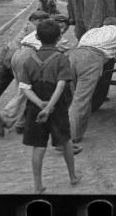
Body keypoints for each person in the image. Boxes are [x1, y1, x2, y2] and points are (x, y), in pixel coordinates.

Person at [18, 19, 82, 193]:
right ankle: (73, 176)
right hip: (57, 107)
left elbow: (24, 88)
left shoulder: (29, 61)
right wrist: (49, 108)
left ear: (37, 36)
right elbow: (61, 85)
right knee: (66, 141)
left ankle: (38, 184)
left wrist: (40, 105)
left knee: (38, 146)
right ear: (60, 37)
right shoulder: (61, 59)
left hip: (34, 107)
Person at [0, 13, 72, 136]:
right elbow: (60, 52)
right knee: (25, 91)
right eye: (61, 26)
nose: (63, 28)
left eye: (64, 26)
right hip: (28, 56)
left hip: (18, 54)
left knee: (22, 89)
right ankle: (5, 116)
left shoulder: (40, 30)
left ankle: (20, 123)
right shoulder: (57, 37)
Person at [68, 16, 116, 146]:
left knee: (74, 96)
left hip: (74, 56)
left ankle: (76, 133)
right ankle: (68, 138)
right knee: (81, 100)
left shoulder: (92, 31)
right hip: (91, 58)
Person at [0, 10, 50, 134]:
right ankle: (17, 122)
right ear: (32, 20)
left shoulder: (27, 28)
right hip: (19, 59)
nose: (42, 22)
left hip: (6, 56)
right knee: (26, 91)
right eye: (40, 20)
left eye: (45, 20)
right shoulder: (36, 30)